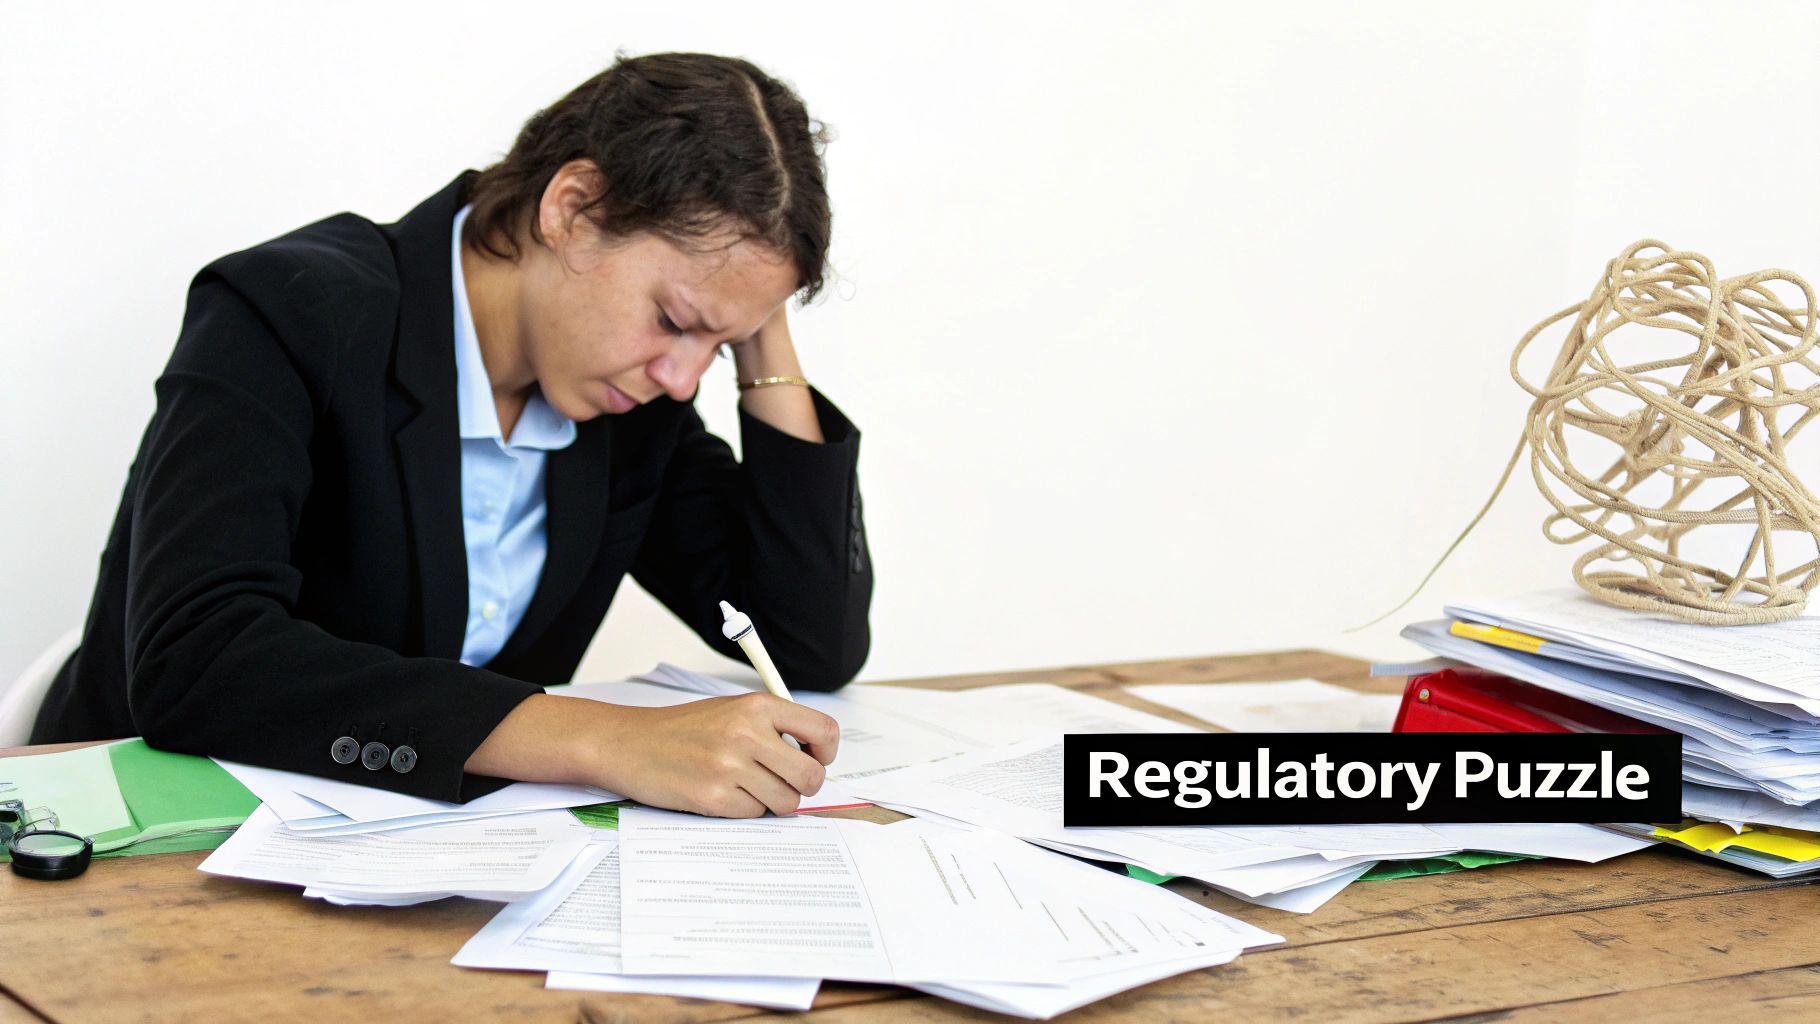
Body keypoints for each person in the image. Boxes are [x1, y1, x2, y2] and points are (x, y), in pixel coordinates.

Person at [30, 52, 872, 819]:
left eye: (714, 348)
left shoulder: (632, 400)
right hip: (132, 841)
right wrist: (597, 739)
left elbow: (804, 641)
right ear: (572, 209)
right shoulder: (288, 311)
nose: (683, 379)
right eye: (672, 318)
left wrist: (753, 323)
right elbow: (197, 661)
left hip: (417, 865)